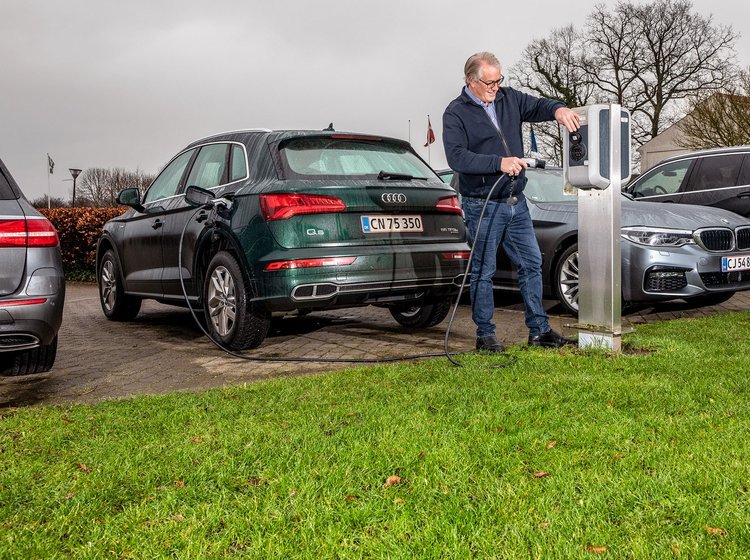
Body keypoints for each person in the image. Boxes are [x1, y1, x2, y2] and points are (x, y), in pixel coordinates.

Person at [442, 51, 581, 352]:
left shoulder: (509, 98)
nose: (495, 88)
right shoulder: (456, 113)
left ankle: (539, 331)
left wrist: (558, 109)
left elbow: (539, 105)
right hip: (483, 203)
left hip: (516, 201)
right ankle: (486, 336)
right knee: (483, 270)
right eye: (489, 83)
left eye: (498, 81)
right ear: (471, 81)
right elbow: (457, 157)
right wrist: (498, 163)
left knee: (531, 263)